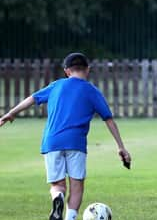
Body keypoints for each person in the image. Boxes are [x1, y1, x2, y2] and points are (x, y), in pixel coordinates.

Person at [0, 52, 131, 220]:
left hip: (52, 142)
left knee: (58, 185)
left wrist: (11, 113)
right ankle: (69, 217)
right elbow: (109, 120)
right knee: (77, 187)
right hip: (76, 143)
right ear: (88, 70)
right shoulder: (92, 91)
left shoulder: (56, 86)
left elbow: (32, 99)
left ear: (67, 71)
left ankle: (58, 197)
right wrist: (120, 146)